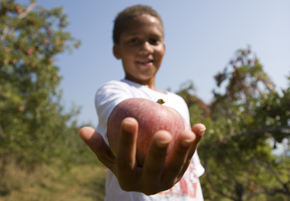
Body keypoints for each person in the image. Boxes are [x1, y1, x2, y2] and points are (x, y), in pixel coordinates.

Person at [79, 4, 206, 201]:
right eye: (134, 40)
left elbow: (190, 169)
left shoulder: (178, 102)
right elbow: (121, 115)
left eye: (153, 40)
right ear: (117, 50)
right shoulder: (113, 90)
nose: (145, 48)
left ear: (163, 48)